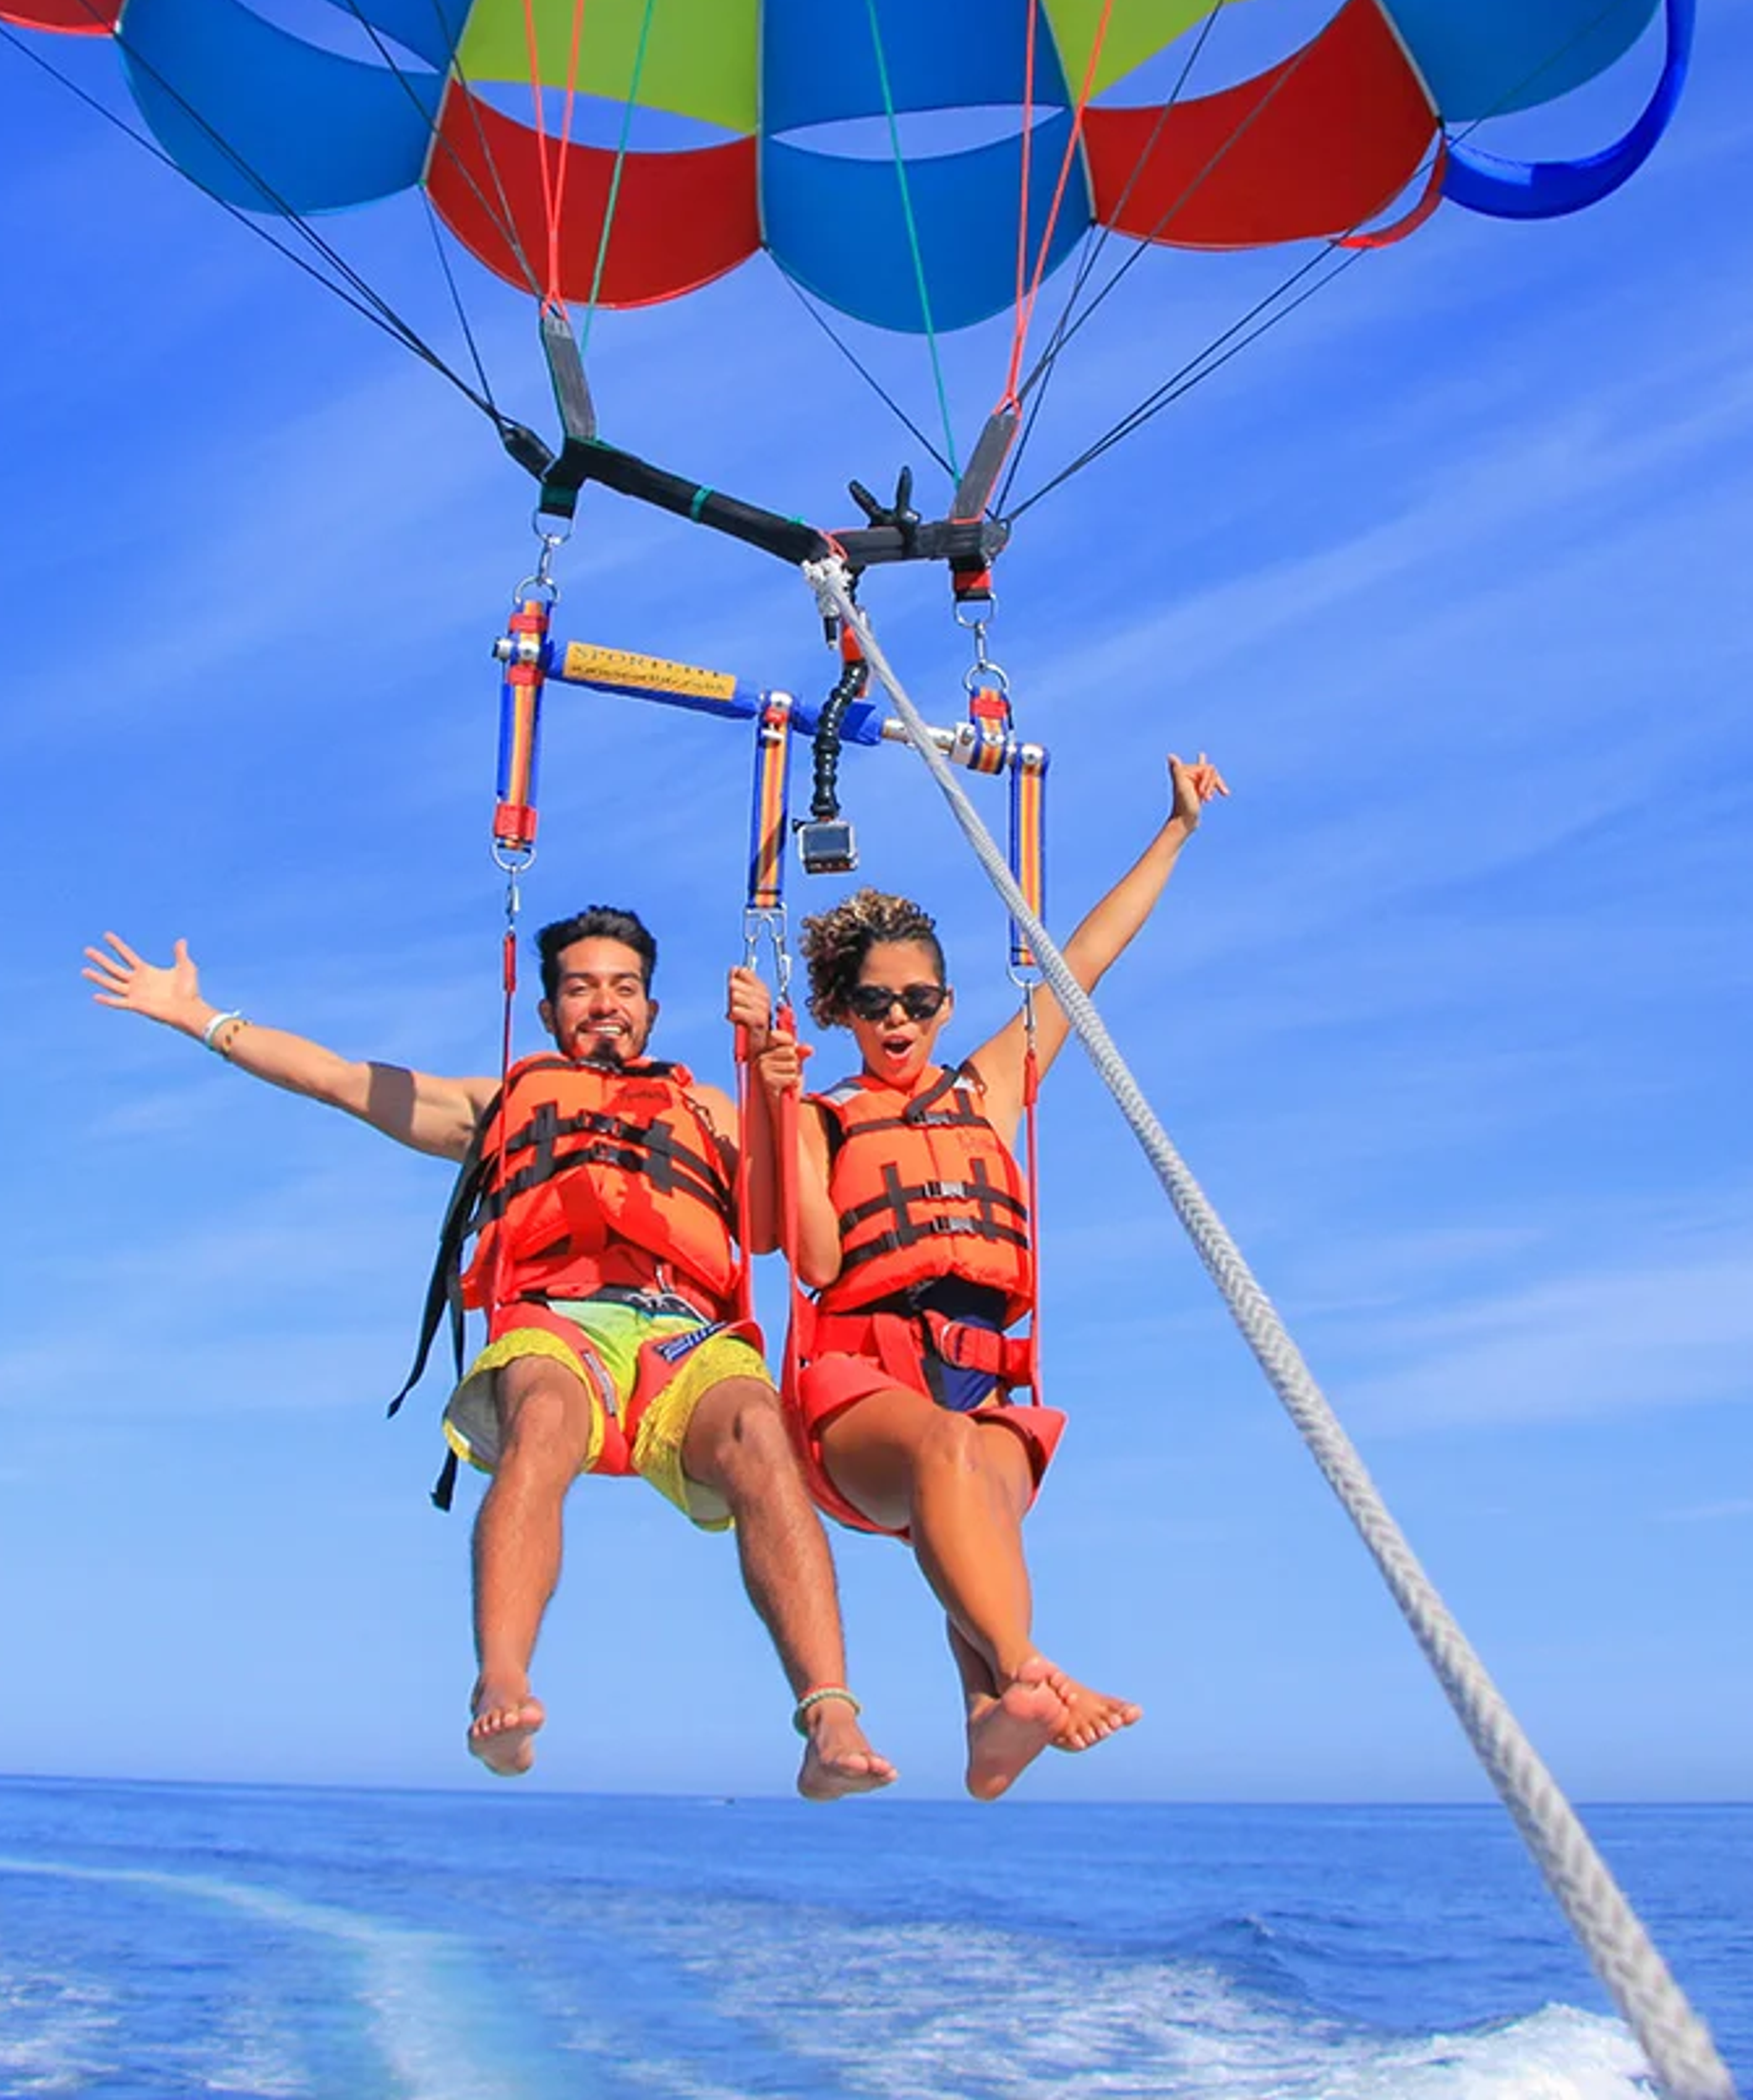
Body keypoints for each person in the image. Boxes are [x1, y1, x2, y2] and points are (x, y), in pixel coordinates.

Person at [85, 907, 895, 1800]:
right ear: (548, 1011)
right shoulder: (498, 1103)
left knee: (759, 1432)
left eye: (624, 988)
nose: (605, 1003)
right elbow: (340, 1079)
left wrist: (774, 1091)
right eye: (581, 988)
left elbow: (789, 1240)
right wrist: (200, 1018)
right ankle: (502, 1681)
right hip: (557, 1323)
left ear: (652, 1009)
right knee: (541, 1417)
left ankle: (829, 1715)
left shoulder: (709, 1107)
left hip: (683, 1331)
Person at [728, 754, 1229, 1798]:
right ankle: (1028, 1669)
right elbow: (812, 1258)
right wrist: (770, 1095)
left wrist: (1177, 829)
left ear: (948, 1004)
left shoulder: (987, 1089)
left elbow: (1085, 958)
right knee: (948, 1451)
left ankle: (989, 1721)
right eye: (874, 1001)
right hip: (856, 1399)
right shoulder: (822, 1115)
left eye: (917, 999)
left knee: (979, 1482)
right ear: (842, 1009)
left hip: (982, 1382)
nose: (898, 1018)